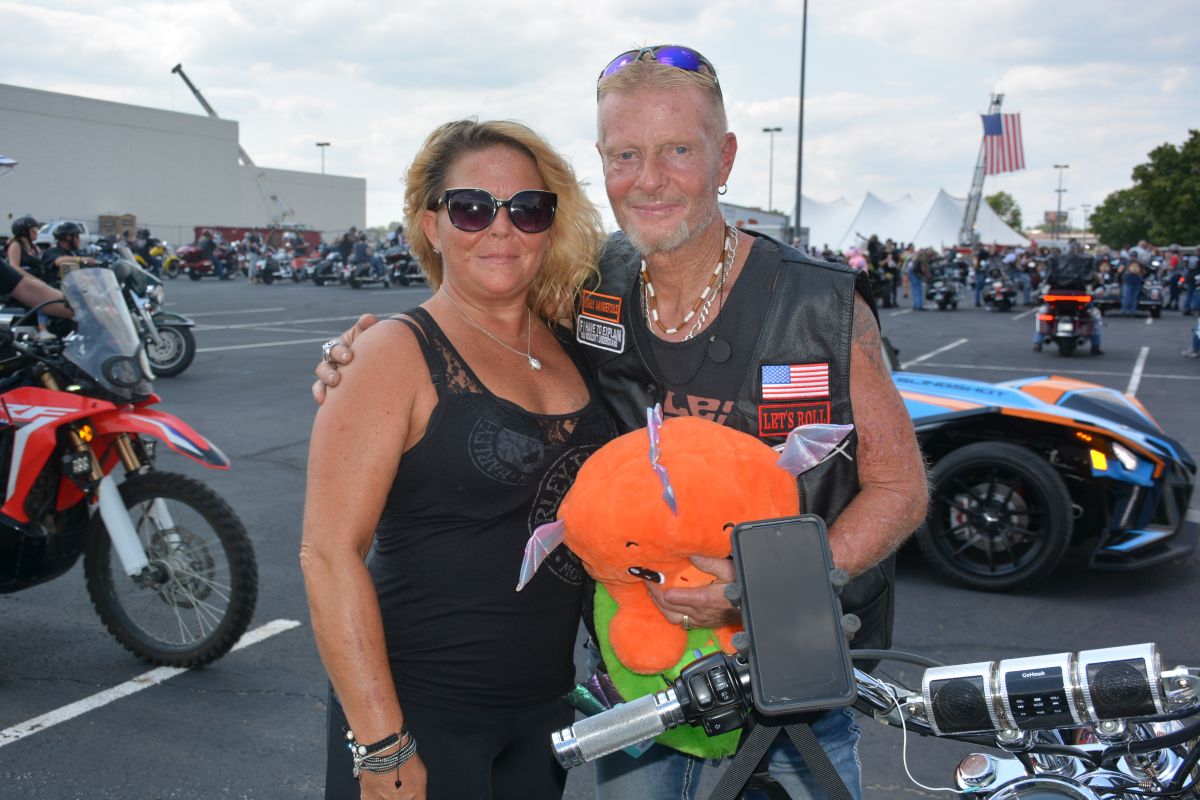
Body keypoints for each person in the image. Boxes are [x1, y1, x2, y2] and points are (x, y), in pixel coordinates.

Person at [314, 45, 927, 800]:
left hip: (788, 699)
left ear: (726, 157)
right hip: (636, 697)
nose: (649, 178)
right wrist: (356, 357)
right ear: (602, 164)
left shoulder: (820, 304)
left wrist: (771, 585)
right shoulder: (586, 289)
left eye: (678, 150)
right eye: (625, 154)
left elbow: (901, 487)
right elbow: (475, 326)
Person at [301, 119, 616, 800]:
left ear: (550, 226)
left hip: (543, 712)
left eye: (528, 209)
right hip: (418, 714)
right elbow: (328, 556)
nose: (501, 228)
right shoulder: (390, 355)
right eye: (472, 208)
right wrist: (382, 746)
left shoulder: (577, 342)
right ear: (432, 226)